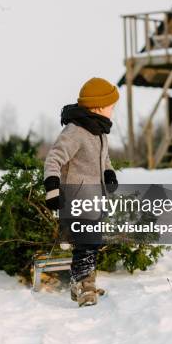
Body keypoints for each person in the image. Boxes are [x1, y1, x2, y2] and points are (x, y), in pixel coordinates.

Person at [44, 77, 119, 307]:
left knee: (91, 243)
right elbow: (54, 158)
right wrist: (52, 188)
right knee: (87, 242)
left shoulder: (99, 132)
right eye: (111, 107)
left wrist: (109, 173)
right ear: (97, 107)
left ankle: (82, 283)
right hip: (76, 198)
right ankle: (84, 285)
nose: (113, 111)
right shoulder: (76, 131)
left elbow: (104, 159)